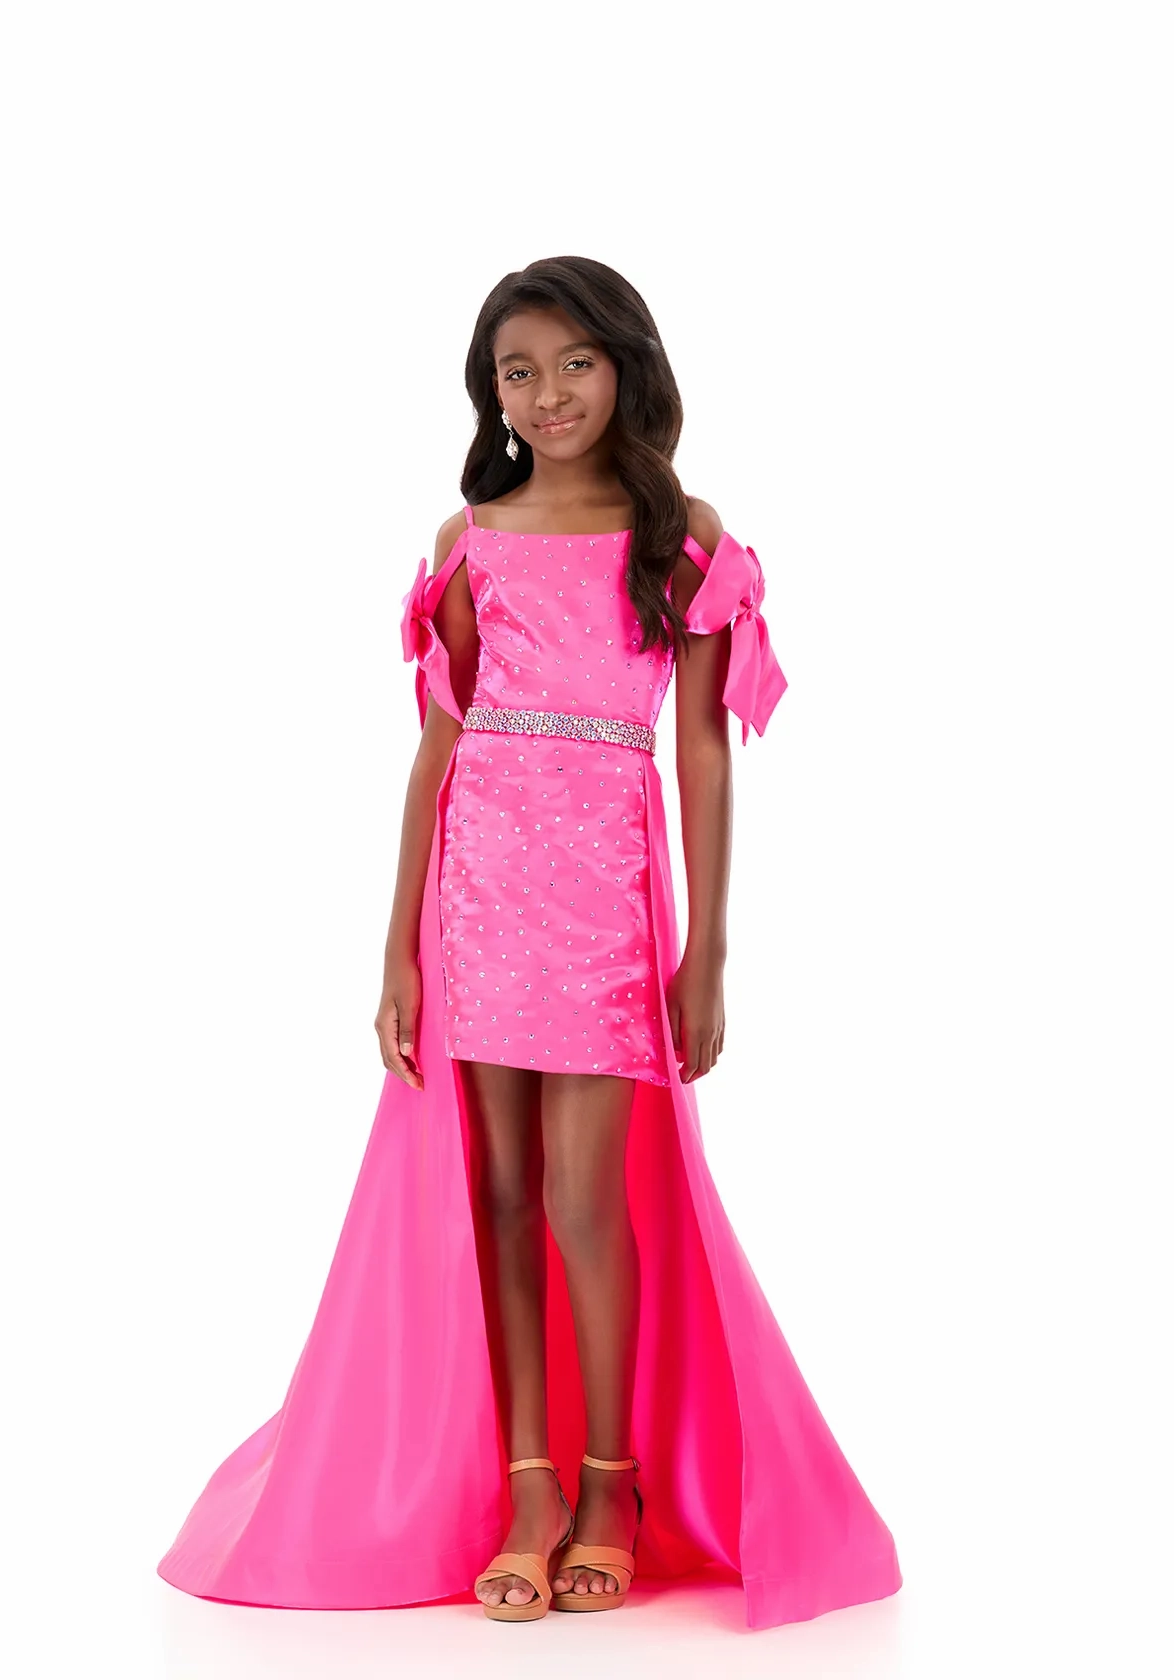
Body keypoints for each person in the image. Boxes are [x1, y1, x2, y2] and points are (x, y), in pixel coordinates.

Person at [156, 256, 902, 1631]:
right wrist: (398, 947)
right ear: (488, 391)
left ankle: (616, 1487)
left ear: (627, 367)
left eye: (575, 363)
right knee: (496, 1193)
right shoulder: (471, 535)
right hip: (479, 893)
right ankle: (530, 1490)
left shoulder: (679, 536)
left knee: (583, 1197)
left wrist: (709, 951)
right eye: (519, 371)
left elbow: (703, 755)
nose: (548, 393)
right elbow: (436, 748)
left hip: (608, 898)